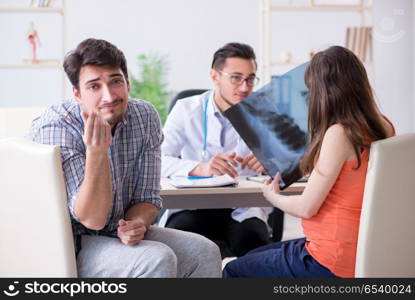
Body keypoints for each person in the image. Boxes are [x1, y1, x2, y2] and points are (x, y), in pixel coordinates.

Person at [28, 38, 221, 278]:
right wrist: (97, 151)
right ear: (77, 94)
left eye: (115, 82)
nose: (109, 96)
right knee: (157, 259)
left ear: (127, 82)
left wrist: (135, 224)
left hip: (114, 231)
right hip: (70, 243)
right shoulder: (57, 128)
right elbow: (93, 219)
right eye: (94, 86)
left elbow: (147, 197)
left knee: (204, 252)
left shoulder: (144, 116)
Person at [223, 45, 395, 278]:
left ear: (325, 92)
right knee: (252, 257)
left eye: (311, 90)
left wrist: (273, 196)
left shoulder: (339, 133)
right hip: (363, 251)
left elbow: (306, 207)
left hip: (330, 259)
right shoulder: (384, 125)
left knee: (234, 269)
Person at [159, 42, 276, 258]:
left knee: (255, 246)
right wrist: (200, 168)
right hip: (194, 206)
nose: (244, 87)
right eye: (236, 78)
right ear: (215, 76)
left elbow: (289, 165)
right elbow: (157, 160)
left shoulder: (264, 113)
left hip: (242, 208)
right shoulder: (186, 109)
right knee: (183, 248)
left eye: (250, 79)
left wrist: (269, 164)